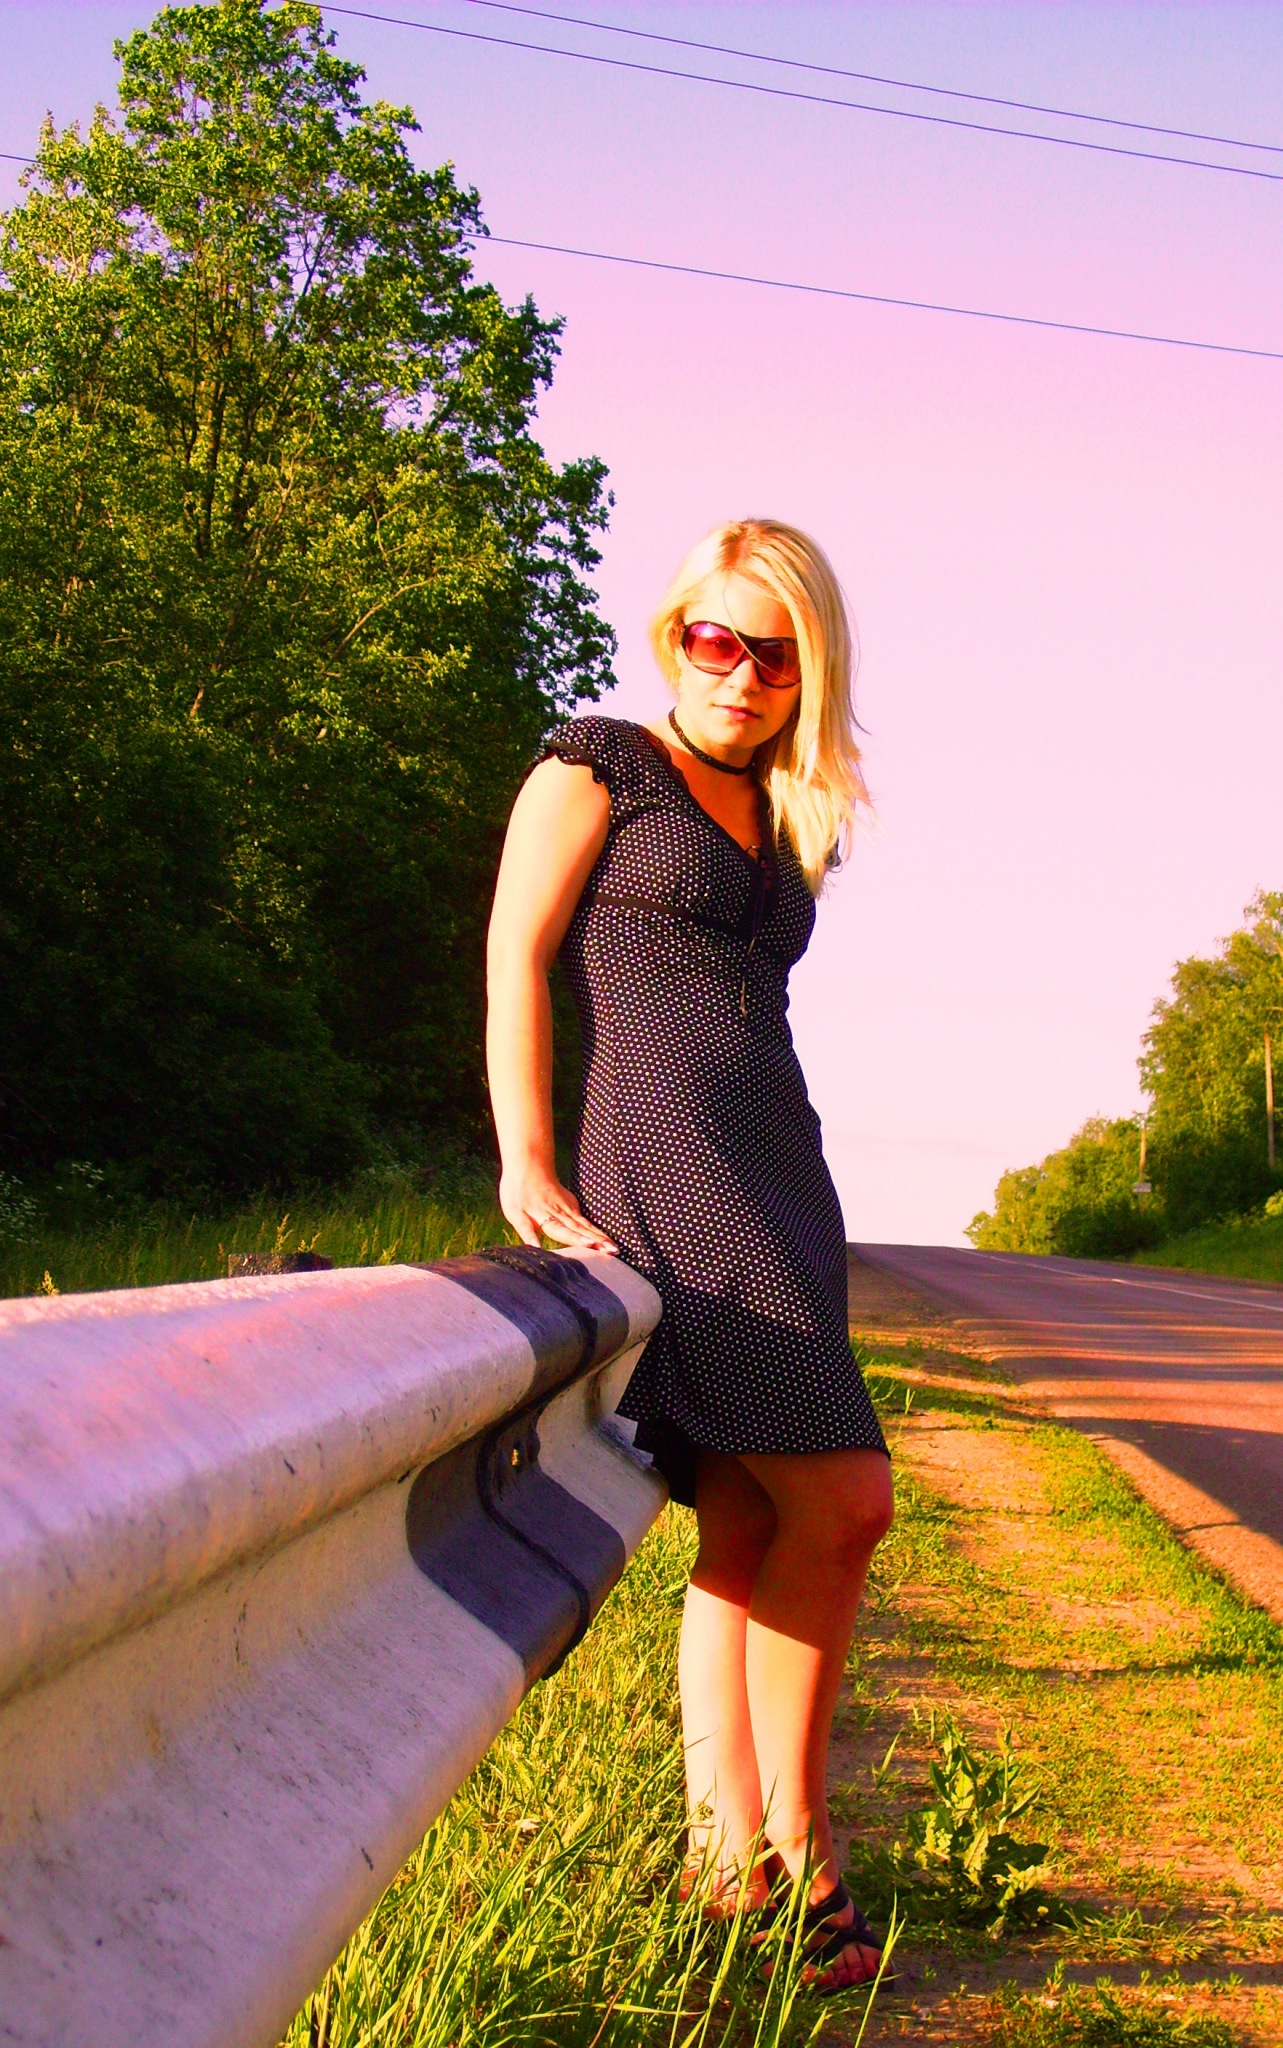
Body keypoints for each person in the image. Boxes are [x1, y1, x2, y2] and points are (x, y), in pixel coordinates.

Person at [486, 518, 893, 1993]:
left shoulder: (788, 811)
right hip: (664, 1155)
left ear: (808, 671)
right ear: (675, 638)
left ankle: (727, 1863)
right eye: (716, 640)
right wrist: (528, 1158)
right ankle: (805, 1847)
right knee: (845, 1501)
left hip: (780, 1161)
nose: (740, 673)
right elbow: (517, 955)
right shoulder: (599, 764)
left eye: (774, 655)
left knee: (744, 1523)